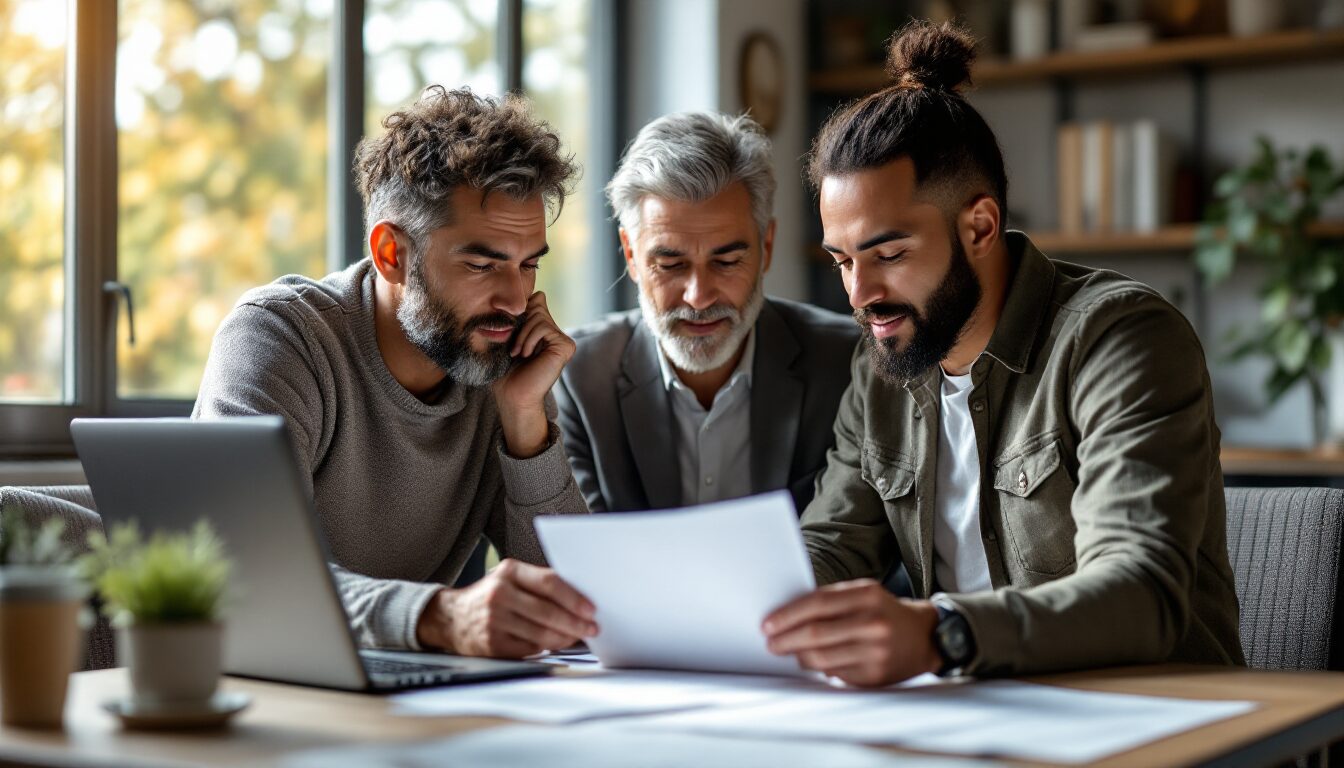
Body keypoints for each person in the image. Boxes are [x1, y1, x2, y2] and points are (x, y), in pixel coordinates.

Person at [762, 22, 1244, 686]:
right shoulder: (886, 365)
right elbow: (830, 548)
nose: (861, 293)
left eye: (889, 254)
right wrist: (733, 612)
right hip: (983, 720)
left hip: (1156, 723)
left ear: (980, 226)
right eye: (842, 260)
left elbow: (1140, 592)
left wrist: (942, 634)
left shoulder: (1121, 339)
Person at [194, 86, 597, 659]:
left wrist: (525, 421)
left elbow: (578, 607)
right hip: (233, 687)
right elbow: (245, 568)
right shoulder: (278, 339)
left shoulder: (498, 359)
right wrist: (439, 617)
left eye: (528, 264)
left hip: (384, 704)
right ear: (391, 253)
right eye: (483, 264)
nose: (515, 298)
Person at [554, 111, 859, 514]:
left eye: (727, 261)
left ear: (766, 246)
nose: (698, 298)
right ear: (630, 253)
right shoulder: (577, 376)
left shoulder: (848, 364)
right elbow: (577, 552)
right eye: (670, 265)